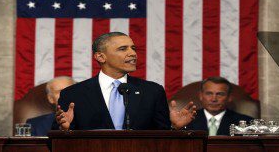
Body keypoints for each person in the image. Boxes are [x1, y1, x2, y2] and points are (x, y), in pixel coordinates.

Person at [53, 32, 196, 131]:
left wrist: (174, 128)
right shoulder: (73, 94)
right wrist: (64, 129)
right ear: (100, 57)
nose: (133, 53)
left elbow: (162, 138)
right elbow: (58, 136)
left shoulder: (153, 91)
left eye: (133, 48)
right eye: (123, 49)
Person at [185, 76, 253, 136]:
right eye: (209, 93)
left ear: (229, 97)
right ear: (201, 96)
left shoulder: (247, 123)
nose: (214, 99)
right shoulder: (187, 121)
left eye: (220, 94)